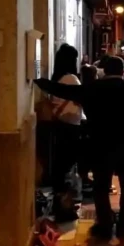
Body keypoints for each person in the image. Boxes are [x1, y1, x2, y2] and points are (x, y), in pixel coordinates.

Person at [34, 56, 124, 240]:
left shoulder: (92, 89)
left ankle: (105, 226)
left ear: (104, 71)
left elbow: (63, 90)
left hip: (101, 143)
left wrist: (38, 80)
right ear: (123, 71)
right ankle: (123, 227)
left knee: (101, 185)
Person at [49, 44, 83, 222]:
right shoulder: (71, 79)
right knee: (68, 168)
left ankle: (60, 204)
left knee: (61, 167)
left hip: (60, 125)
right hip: (71, 126)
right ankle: (65, 207)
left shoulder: (58, 78)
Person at [78, 64, 98, 191]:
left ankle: (84, 176)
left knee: (85, 154)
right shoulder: (96, 89)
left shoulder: (81, 88)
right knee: (92, 155)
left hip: (84, 125)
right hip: (93, 126)